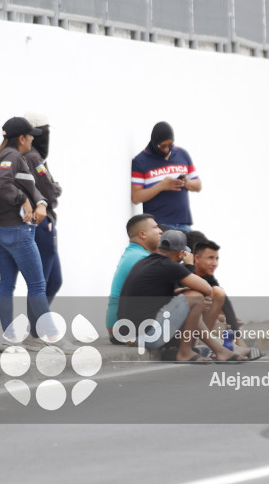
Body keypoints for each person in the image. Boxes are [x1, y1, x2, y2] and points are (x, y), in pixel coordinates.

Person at [0, 116, 73, 354]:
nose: (34, 139)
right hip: (17, 230)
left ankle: (10, 340)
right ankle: (51, 337)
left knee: (7, 284)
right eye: (30, 135)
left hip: (1, 229)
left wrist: (39, 202)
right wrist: (24, 201)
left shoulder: (2, 157)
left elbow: (21, 187)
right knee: (37, 285)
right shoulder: (13, 157)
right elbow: (5, 185)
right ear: (22, 138)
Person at [117, 230, 247, 363]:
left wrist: (180, 292)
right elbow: (207, 289)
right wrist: (189, 265)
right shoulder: (169, 265)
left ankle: (218, 350)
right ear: (181, 253)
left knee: (191, 299)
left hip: (130, 336)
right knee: (196, 297)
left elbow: (155, 297)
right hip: (147, 337)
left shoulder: (144, 263)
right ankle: (186, 352)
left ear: (159, 247)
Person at [189, 239, 261, 360]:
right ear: (197, 258)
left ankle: (229, 346)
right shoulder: (186, 273)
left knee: (221, 298)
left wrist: (239, 338)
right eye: (210, 258)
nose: (214, 263)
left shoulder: (207, 276)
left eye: (216, 259)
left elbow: (225, 304)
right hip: (183, 329)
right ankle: (220, 349)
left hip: (200, 327)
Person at [23, 111, 63, 302]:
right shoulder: (33, 158)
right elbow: (51, 191)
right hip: (42, 223)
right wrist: (56, 189)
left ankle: (38, 325)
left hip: (42, 222)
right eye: (43, 133)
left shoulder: (34, 156)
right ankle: (37, 325)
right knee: (45, 281)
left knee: (53, 280)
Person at [130, 122, 201, 231]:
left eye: (170, 145)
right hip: (159, 227)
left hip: (184, 224)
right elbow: (136, 197)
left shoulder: (182, 154)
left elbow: (198, 185)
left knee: (192, 248)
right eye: (163, 146)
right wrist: (161, 186)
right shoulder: (140, 161)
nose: (167, 149)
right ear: (154, 143)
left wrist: (186, 182)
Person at [106, 214, 163, 344]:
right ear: (142, 234)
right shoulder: (141, 259)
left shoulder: (134, 254)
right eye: (155, 227)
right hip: (126, 329)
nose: (160, 231)